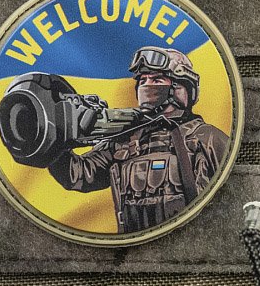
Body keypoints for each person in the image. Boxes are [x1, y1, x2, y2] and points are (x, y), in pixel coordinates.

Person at [47, 47, 230, 233]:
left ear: (181, 88)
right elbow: (77, 174)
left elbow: (232, 198)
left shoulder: (207, 138)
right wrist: (53, 139)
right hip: (135, 247)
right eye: (143, 81)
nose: (147, 86)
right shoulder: (125, 139)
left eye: (156, 80)